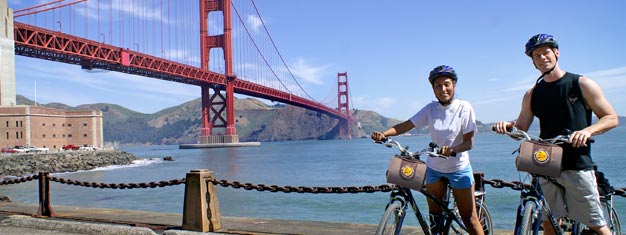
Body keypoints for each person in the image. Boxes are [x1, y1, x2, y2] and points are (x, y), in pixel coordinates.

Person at [494, 33, 619, 235]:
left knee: (596, 223)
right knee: (550, 223)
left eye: (546, 52)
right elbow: (521, 129)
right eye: (537, 55)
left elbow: (611, 117)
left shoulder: (581, 84)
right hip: (546, 164)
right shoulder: (532, 93)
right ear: (533, 61)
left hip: (576, 162)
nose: (542, 58)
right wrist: (508, 127)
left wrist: (587, 131)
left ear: (557, 53)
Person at [371, 65, 484, 235]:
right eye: (438, 86)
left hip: (458, 168)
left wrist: (452, 149)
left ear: (454, 85)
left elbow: (469, 143)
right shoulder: (430, 109)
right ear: (433, 89)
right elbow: (406, 125)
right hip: (435, 169)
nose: (443, 89)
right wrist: (383, 134)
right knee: (435, 219)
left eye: (446, 84)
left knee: (469, 218)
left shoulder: (464, 107)